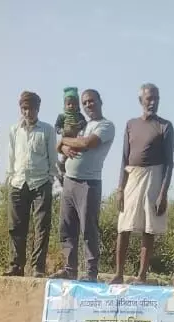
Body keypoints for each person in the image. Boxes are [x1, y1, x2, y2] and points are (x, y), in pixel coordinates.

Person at [113, 84, 174, 285]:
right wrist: (120, 188)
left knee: (149, 229)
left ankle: (142, 275)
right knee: (124, 226)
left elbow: (169, 162)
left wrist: (163, 193)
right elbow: (124, 157)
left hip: (154, 177)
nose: (153, 102)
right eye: (149, 98)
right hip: (132, 176)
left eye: (156, 98)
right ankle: (119, 274)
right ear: (141, 100)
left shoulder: (165, 126)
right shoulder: (131, 124)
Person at [56, 89, 116, 281]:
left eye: (91, 101)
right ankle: (69, 269)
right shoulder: (81, 125)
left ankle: (91, 272)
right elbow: (60, 146)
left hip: (89, 183)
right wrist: (65, 144)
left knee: (88, 229)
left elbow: (87, 143)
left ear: (100, 101)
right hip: (69, 180)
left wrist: (65, 141)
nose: (88, 105)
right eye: (85, 102)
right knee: (67, 228)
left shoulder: (106, 125)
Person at [4, 91, 58, 277]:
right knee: (16, 226)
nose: (28, 112)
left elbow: (53, 158)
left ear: (38, 109)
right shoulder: (14, 130)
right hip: (18, 182)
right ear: (21, 109)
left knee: (41, 226)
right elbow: (11, 156)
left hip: (40, 182)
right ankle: (16, 265)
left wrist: (50, 179)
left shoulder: (47, 130)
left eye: (31, 108)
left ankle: (37, 267)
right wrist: (10, 178)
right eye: (24, 108)